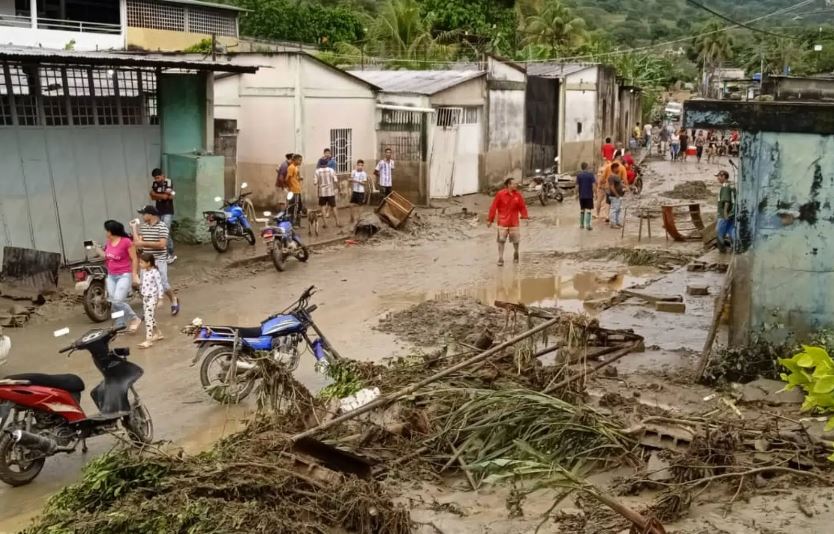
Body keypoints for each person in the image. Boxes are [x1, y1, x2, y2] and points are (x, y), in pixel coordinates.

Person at [131, 205, 180, 316]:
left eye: (144, 214)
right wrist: (134, 228)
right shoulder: (144, 227)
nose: (142, 216)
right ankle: (148, 309)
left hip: (159, 260)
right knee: (145, 285)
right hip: (146, 259)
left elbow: (162, 245)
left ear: (151, 214)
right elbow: (138, 243)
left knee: (163, 284)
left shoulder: (162, 227)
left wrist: (142, 243)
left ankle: (174, 299)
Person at [97, 220, 140, 332]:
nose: (106, 233)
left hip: (124, 274)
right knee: (112, 299)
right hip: (111, 275)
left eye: (107, 231)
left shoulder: (126, 242)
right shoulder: (109, 242)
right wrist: (96, 248)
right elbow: (107, 256)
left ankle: (134, 318)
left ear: (112, 231)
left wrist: (134, 274)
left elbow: (134, 258)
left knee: (118, 301)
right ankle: (119, 322)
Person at [487, 178, 529, 267]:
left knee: (516, 241)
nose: (516, 185)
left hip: (514, 222)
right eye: (514, 184)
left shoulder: (518, 195)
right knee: (501, 241)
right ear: (509, 185)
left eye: (516, 184)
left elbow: (522, 207)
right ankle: (501, 258)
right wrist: (490, 220)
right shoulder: (500, 194)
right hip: (503, 222)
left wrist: (525, 217)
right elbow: (493, 207)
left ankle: (516, 252)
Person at [137, 252, 164, 349]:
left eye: (142, 262)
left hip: (152, 298)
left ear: (148, 263)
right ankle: (158, 333)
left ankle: (148, 340)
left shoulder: (155, 272)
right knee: (150, 317)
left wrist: (160, 299)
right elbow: (143, 283)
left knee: (148, 318)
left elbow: (160, 286)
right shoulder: (144, 272)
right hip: (145, 297)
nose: (140, 264)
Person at [149, 168, 176, 263]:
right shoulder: (155, 184)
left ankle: (169, 254)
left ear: (162, 175)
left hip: (168, 211)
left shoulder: (168, 182)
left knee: (165, 231)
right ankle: (166, 253)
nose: (156, 180)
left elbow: (171, 195)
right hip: (158, 211)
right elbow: (152, 196)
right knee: (161, 232)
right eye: (155, 178)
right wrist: (160, 196)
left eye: (158, 177)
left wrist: (157, 195)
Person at [314, 159, 341, 228]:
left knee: (322, 208)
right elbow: (335, 180)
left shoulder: (317, 171)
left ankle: (325, 224)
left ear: (320, 164)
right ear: (327, 163)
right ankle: (338, 222)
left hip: (322, 193)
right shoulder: (331, 170)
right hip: (330, 192)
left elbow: (315, 183)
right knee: (334, 207)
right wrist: (339, 189)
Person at [716, 170, 736, 253]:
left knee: (719, 231)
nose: (717, 178)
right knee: (731, 231)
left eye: (719, 177)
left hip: (724, 214)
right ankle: (734, 248)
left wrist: (725, 213)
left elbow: (726, 201)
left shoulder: (725, 186)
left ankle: (722, 250)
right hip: (732, 213)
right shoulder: (732, 185)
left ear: (723, 176)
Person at [576, 162, 596, 231]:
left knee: (582, 209)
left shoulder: (579, 175)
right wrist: (595, 193)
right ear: (587, 167)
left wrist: (576, 194)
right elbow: (593, 185)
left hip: (581, 195)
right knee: (589, 210)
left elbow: (577, 186)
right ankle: (588, 225)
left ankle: (581, 225)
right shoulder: (590, 175)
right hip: (589, 195)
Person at [608, 162, 626, 229]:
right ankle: (613, 223)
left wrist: (627, 187)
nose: (618, 169)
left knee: (618, 209)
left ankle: (617, 222)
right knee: (614, 209)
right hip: (615, 196)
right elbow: (611, 187)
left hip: (619, 196)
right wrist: (616, 194)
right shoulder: (611, 177)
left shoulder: (617, 176)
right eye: (617, 167)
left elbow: (620, 184)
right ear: (614, 168)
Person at [287, 154, 303, 225]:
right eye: (299, 160)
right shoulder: (291, 167)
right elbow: (287, 178)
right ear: (295, 160)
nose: (301, 162)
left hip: (297, 189)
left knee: (298, 206)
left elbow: (294, 178)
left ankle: (297, 222)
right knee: (294, 206)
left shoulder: (296, 167)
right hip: (294, 190)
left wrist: (299, 178)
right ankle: (293, 222)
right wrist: (290, 187)